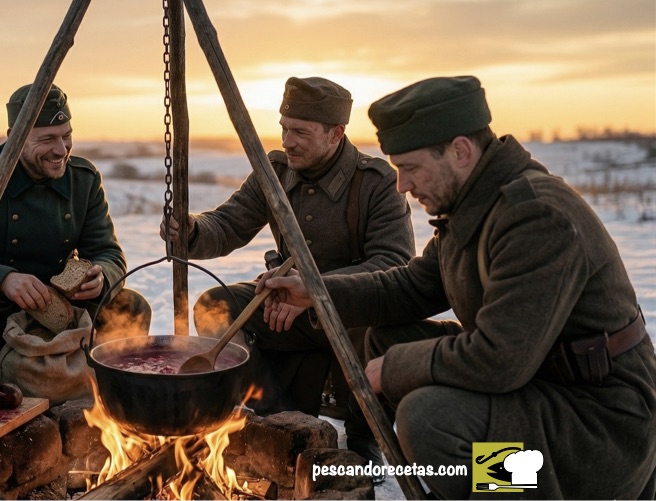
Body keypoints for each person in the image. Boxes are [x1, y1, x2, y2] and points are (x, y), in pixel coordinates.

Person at [259, 76, 656, 498]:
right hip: (540, 382)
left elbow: (499, 359)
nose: (402, 186)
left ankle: (511, 488)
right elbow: (411, 287)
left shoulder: (536, 217)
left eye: (410, 168)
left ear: (460, 152)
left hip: (598, 420)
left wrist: (395, 369)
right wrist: (316, 294)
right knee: (387, 337)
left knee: (429, 418)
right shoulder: (477, 206)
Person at [160, 77, 414, 429]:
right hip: (284, 306)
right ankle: (272, 420)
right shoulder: (274, 171)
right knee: (215, 305)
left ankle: (364, 437)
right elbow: (229, 224)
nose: (287, 142)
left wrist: (310, 289)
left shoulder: (376, 182)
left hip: (350, 313)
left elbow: (393, 265)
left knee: (369, 323)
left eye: (301, 132)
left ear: (336, 133)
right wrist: (191, 230)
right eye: (284, 129)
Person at [0, 83, 151, 374]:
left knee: (131, 306)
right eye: (47, 139)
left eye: (67, 136)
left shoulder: (84, 179)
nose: (61, 149)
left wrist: (102, 276)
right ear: (14, 138)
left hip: (62, 313)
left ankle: (108, 396)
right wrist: (3, 280)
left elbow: (107, 252)